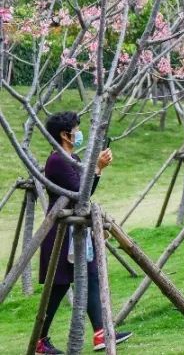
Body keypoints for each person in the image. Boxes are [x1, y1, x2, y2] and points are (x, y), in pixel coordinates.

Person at [37, 112, 134, 354]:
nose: (79, 133)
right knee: (58, 287)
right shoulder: (57, 161)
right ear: (64, 134)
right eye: (76, 129)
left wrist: (98, 170)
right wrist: (98, 168)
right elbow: (80, 193)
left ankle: (100, 333)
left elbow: (84, 194)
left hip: (76, 230)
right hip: (60, 232)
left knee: (90, 276)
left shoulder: (73, 157)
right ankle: (40, 340)